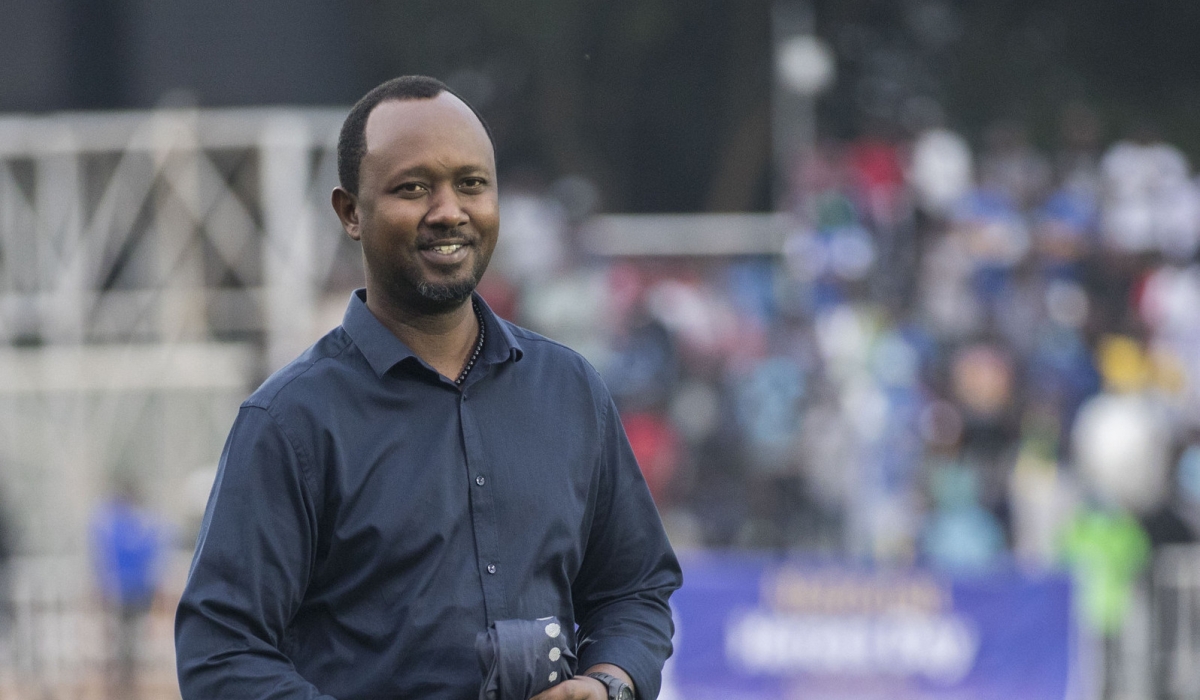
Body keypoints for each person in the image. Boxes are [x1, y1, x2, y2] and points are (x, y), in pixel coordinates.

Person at [174, 75, 682, 700]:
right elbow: (221, 654)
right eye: (413, 188)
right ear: (351, 212)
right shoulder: (290, 421)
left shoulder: (571, 389)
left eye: (471, 184)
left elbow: (634, 591)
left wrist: (609, 682)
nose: (449, 211)